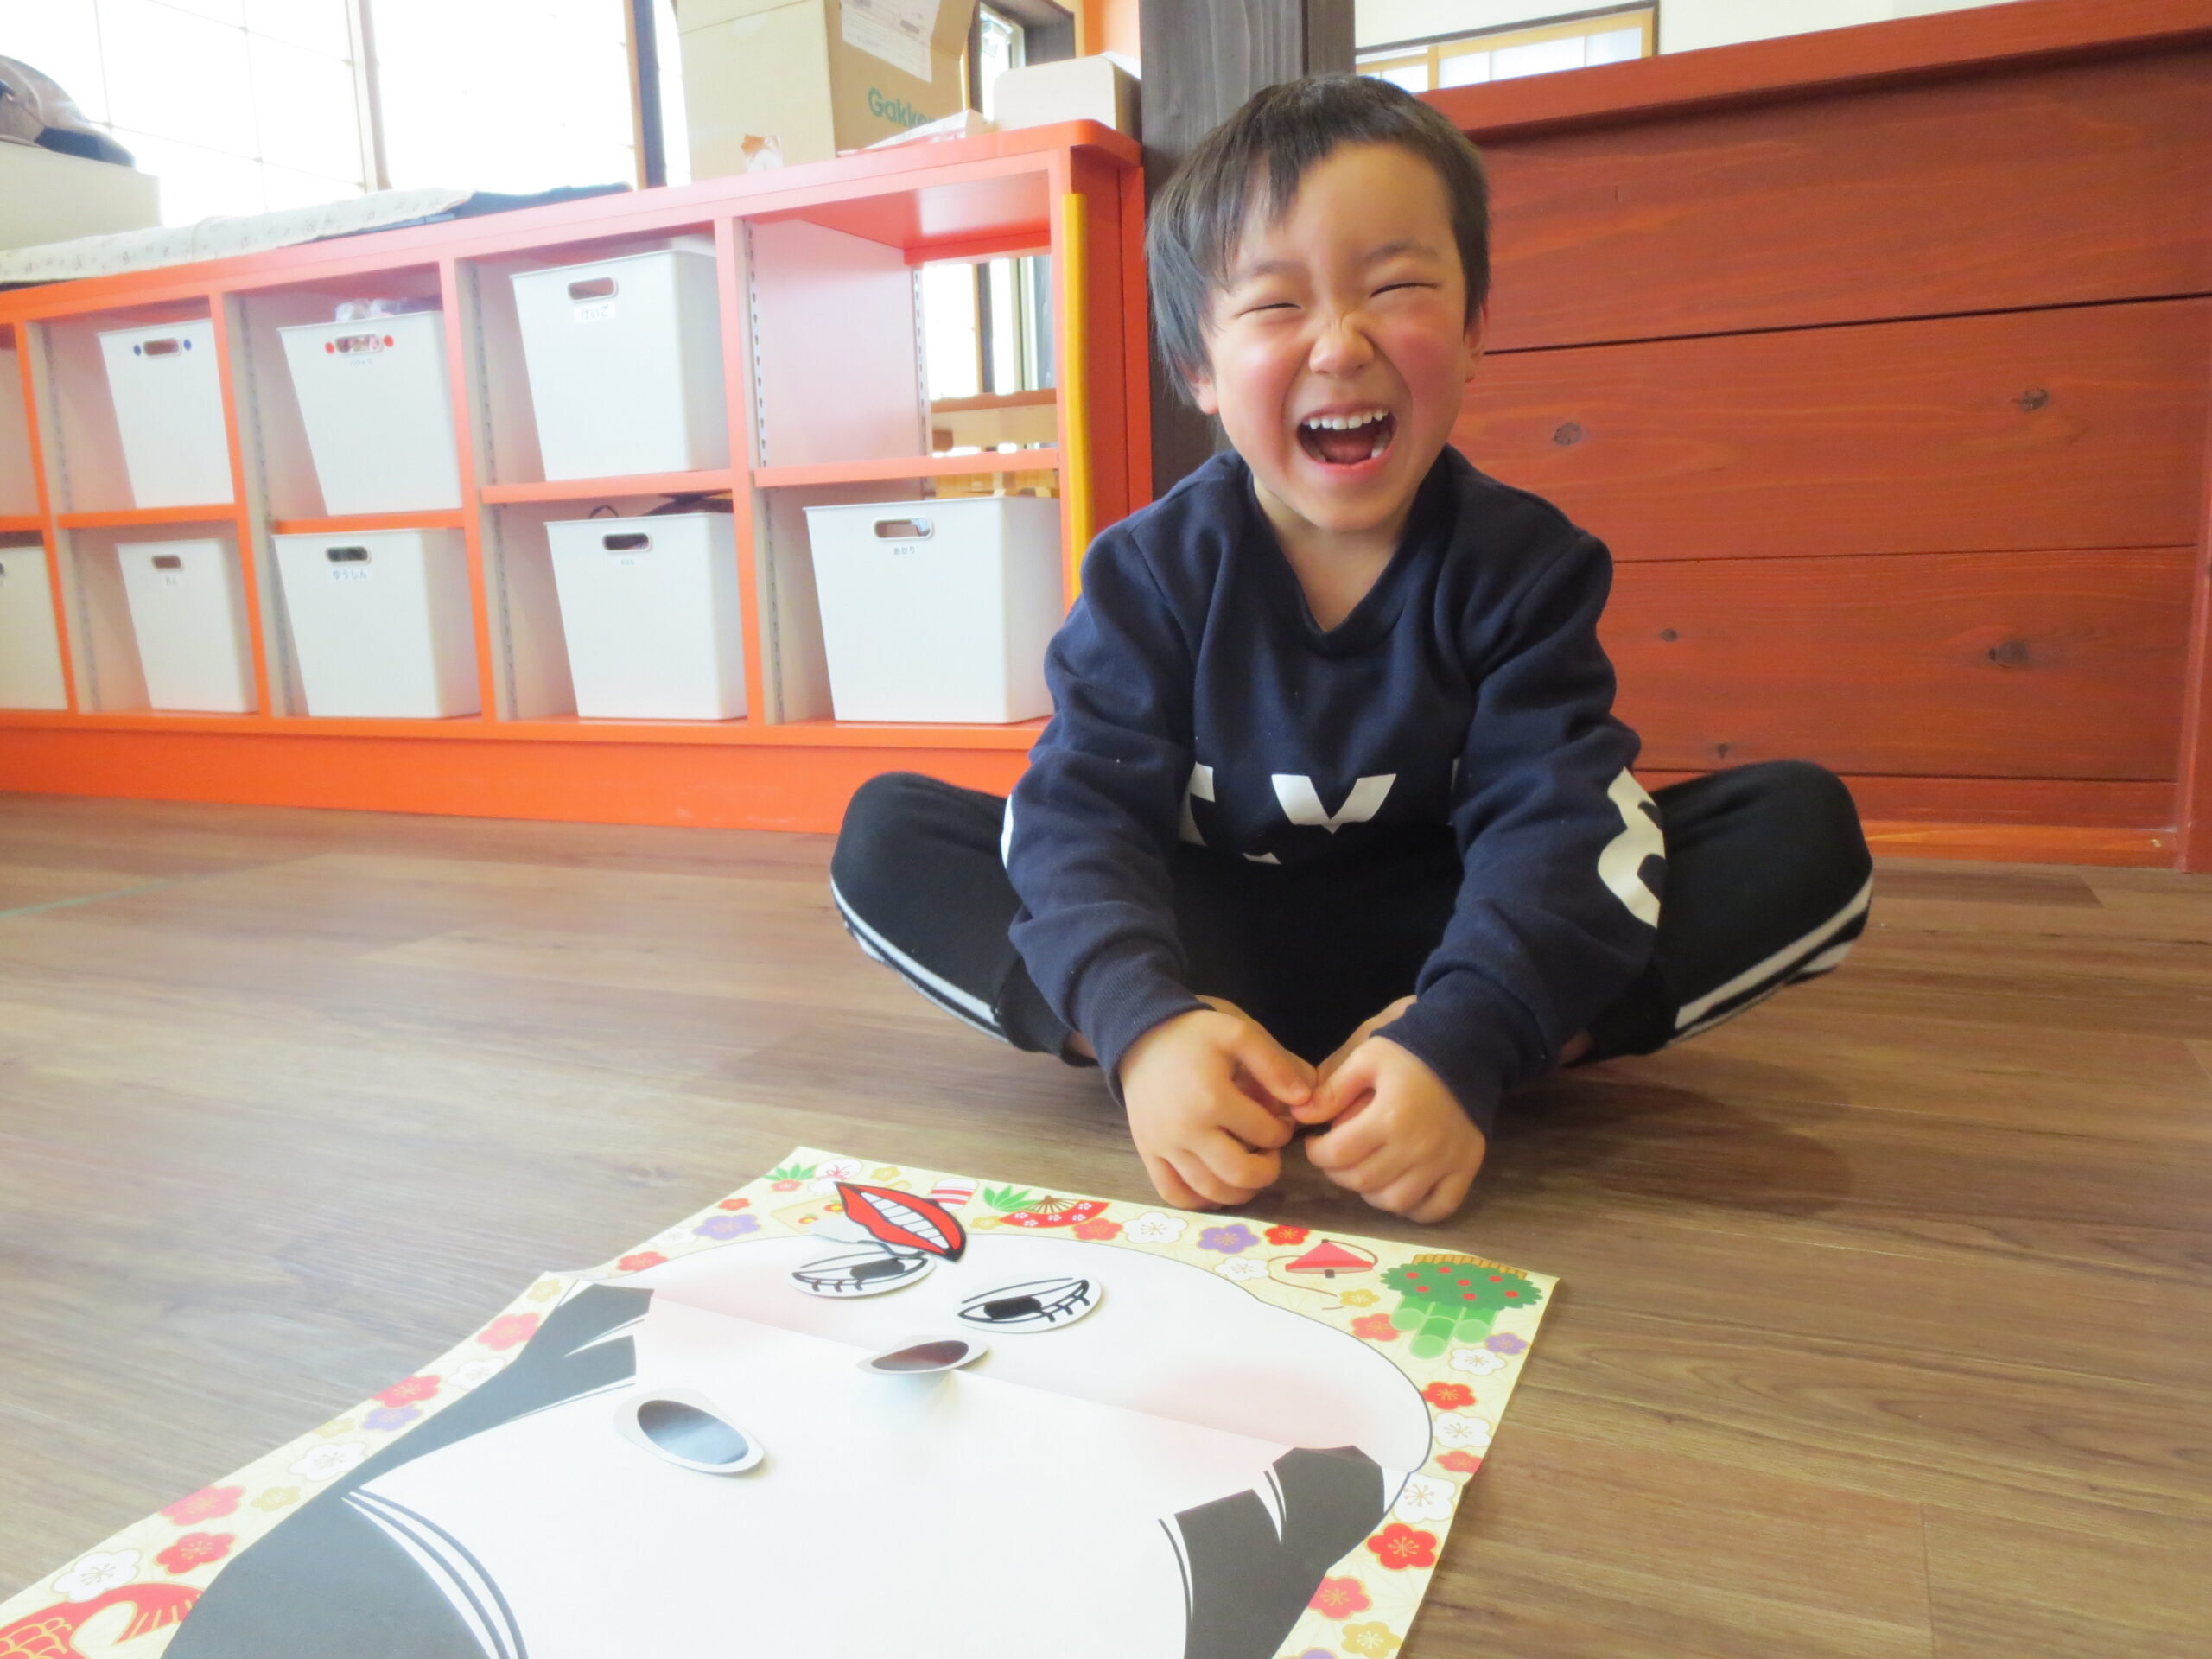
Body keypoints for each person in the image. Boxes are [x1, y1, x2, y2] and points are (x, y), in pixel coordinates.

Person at [831, 75, 1871, 1223]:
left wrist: (1466, 1030)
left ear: (1473, 330)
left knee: (1797, 830)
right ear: (1199, 368)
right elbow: (1082, 817)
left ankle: (1454, 1055)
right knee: (890, 835)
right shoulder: (1146, 573)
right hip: (1211, 943)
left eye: (1398, 288)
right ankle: (1185, 1062)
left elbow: (1556, 820)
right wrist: (1141, 1019)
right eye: (1276, 305)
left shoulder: (1527, 565)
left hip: (1450, 938)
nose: (1341, 343)